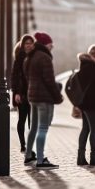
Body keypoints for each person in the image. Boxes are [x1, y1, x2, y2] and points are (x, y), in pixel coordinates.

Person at [25, 31, 64, 170]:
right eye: (50, 45)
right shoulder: (45, 58)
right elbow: (49, 81)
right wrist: (58, 97)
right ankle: (41, 160)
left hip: (33, 97)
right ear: (45, 45)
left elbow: (27, 77)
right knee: (42, 127)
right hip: (44, 98)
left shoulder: (30, 57)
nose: (51, 48)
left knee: (33, 127)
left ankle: (28, 155)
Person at [10, 35, 34, 153]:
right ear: (22, 45)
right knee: (22, 119)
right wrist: (16, 93)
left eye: (30, 43)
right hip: (22, 93)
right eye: (26, 43)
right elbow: (14, 77)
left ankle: (30, 144)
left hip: (33, 92)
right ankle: (23, 144)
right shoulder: (19, 58)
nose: (28, 45)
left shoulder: (35, 57)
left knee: (32, 121)